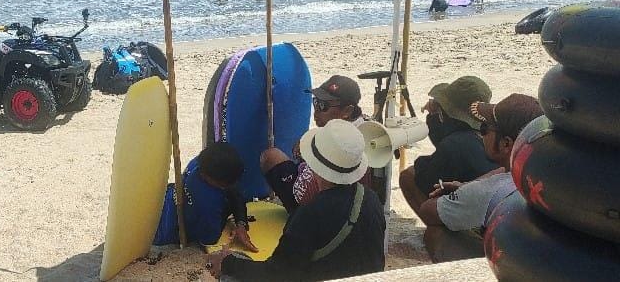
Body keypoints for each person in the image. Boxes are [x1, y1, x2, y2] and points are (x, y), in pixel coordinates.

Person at [207, 119, 386, 281]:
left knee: (232, 274)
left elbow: (277, 274)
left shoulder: (310, 214)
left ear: (313, 166)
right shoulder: (371, 199)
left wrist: (227, 262)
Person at [418, 94, 543, 263]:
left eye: (484, 128)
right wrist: (466, 186)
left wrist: (468, 190)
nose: (480, 134)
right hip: (539, 259)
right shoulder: (547, 174)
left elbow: (427, 211)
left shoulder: (490, 190)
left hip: (516, 265)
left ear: (506, 144)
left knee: (435, 233)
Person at [261, 75, 369, 214]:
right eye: (316, 102)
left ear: (347, 111)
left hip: (324, 202)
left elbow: (307, 191)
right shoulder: (351, 127)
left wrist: (308, 157)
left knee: (270, 157)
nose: (316, 110)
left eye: (323, 106)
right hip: (329, 190)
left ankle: (298, 215)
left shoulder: (349, 144)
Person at [401, 76, 498, 223]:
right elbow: (447, 144)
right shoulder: (488, 134)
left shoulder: (455, 144)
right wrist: (435, 118)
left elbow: (427, 179)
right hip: (489, 207)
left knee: (408, 176)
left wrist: (434, 117)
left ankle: (439, 228)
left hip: (477, 218)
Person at [153, 144, 255, 250]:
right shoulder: (209, 204)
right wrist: (227, 212)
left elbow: (233, 191)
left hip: (162, 204)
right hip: (163, 233)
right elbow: (209, 239)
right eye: (225, 185)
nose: (229, 186)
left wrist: (241, 224)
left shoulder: (201, 162)